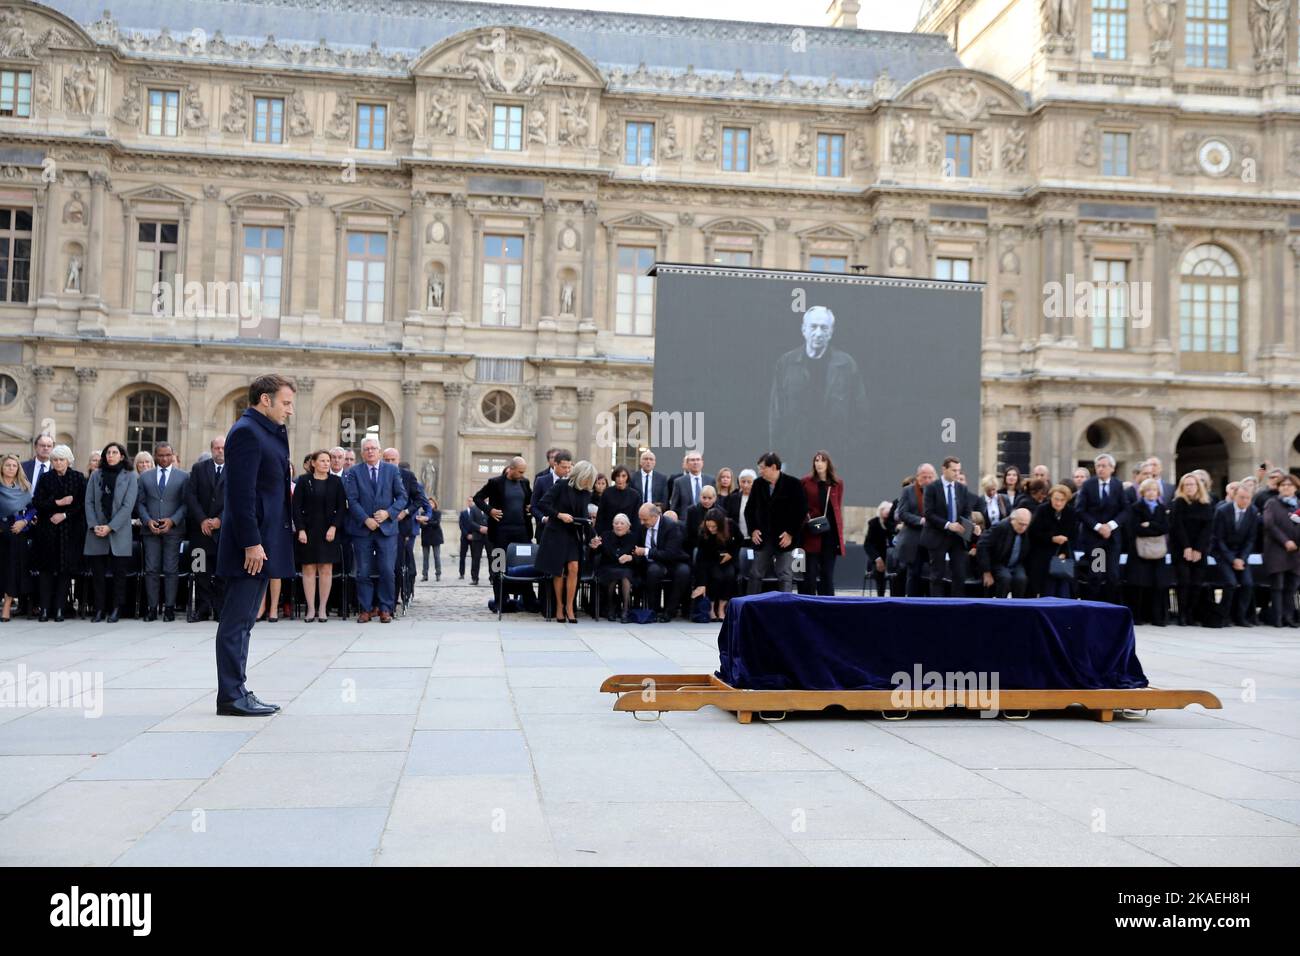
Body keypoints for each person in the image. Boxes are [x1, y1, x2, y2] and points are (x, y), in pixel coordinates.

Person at [214, 374, 296, 716]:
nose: (290, 410)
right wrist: (251, 542)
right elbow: (241, 494)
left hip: (264, 540)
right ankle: (230, 696)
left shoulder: (266, 431)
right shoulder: (247, 432)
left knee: (246, 619)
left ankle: (238, 688)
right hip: (251, 545)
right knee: (237, 620)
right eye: (286, 403)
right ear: (266, 400)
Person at [768, 306, 869, 471]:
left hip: (834, 457)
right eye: (813, 326)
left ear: (831, 332)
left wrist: (848, 450)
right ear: (804, 329)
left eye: (824, 327)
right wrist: (779, 457)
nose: (818, 332)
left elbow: (861, 413)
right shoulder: (786, 363)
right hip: (795, 455)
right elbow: (776, 414)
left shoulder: (846, 365)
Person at [342, 438, 407, 623]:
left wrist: (388, 513)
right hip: (362, 530)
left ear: (379, 451)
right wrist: (365, 519)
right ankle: (366, 609)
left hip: (387, 530)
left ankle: (386, 608)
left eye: (373, 448)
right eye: (366, 449)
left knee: (387, 570)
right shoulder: (354, 472)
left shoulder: (392, 470)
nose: (370, 451)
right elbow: (351, 500)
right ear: (362, 453)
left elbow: (402, 497)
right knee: (363, 571)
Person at [534, 459, 596, 623]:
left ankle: (570, 606)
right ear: (580, 475)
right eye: (586, 478)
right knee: (559, 570)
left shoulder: (585, 493)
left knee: (574, 567)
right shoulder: (561, 485)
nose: (588, 482)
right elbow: (543, 504)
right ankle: (559, 606)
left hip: (572, 534)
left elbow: (584, 517)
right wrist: (559, 515)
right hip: (556, 533)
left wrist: (593, 536)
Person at [83, 442, 138, 624]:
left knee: (118, 576)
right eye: (108, 452)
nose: (111, 455)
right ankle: (99, 609)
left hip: (118, 532)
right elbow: (89, 502)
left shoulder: (130, 476)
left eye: (115, 452)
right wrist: (94, 525)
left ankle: (116, 609)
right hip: (96, 531)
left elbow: (127, 506)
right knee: (98, 576)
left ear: (122, 456)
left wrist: (111, 526)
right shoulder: (95, 475)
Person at [31, 445, 85, 622]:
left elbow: (82, 504)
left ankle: (60, 608)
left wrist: (64, 514)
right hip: (47, 530)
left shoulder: (78, 477)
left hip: (69, 532)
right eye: (55, 460)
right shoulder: (45, 478)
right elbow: (38, 502)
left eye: (61, 459)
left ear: (68, 460)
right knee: (46, 571)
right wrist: (58, 502)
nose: (58, 463)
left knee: (64, 571)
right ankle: (44, 609)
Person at [473, 457, 535, 610]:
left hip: (522, 532)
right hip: (500, 532)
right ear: (511, 469)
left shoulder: (524, 483)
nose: (522, 474)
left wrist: (530, 507)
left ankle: (528, 600)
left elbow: (530, 500)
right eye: (520, 471)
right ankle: (500, 600)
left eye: (523, 472)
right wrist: (490, 510)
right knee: (498, 566)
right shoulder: (495, 483)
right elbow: (478, 498)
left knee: (525, 565)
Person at [136, 442, 188, 622]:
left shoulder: (183, 476)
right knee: (151, 569)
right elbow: (140, 503)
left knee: (171, 569)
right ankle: (151, 608)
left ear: (173, 455)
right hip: (150, 531)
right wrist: (147, 521)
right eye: (161, 455)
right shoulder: (145, 477)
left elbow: (185, 504)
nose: (165, 458)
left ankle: (169, 608)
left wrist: (172, 521)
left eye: (168, 455)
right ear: (155, 456)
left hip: (173, 531)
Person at [294, 449, 346, 622]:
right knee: (308, 569)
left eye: (328, 461)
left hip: (328, 532)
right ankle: (310, 609)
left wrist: (334, 527)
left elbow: (341, 508)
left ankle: (322, 608)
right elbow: (296, 507)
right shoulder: (303, 481)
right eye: (322, 460)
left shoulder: (336, 482)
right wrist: (300, 529)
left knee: (326, 569)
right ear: (313, 463)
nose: (326, 463)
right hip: (308, 532)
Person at [744, 452, 805, 593]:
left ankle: (785, 608)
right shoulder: (758, 484)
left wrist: (790, 533)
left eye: (762, 467)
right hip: (763, 538)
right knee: (755, 574)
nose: (760, 471)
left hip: (784, 539)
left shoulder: (793, 484)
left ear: (773, 467)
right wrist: (752, 530)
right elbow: (749, 510)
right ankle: (750, 606)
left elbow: (801, 512)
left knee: (785, 575)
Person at [185, 436, 227, 623]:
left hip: (223, 534)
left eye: (223, 448)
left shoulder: (236, 470)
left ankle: (219, 609)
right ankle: (202, 608)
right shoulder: (198, 469)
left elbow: (237, 500)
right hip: (200, 533)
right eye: (217, 448)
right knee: (199, 570)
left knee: (221, 573)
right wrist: (202, 520)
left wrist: (220, 520)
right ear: (211, 449)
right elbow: (191, 496)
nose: (220, 451)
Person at [1076, 453, 1127, 604]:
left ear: (1112, 468)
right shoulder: (1088, 485)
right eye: (1098, 466)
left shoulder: (1117, 485)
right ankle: (1093, 607)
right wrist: (1098, 527)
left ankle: (1110, 607)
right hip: (1095, 539)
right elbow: (1080, 510)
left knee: (1113, 575)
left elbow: (1125, 510)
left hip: (1112, 540)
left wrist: (1111, 526)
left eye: (1104, 466)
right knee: (1096, 574)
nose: (1100, 469)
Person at [922, 456, 973, 597]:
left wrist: (970, 525)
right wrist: (948, 525)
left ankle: (956, 607)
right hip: (937, 535)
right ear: (944, 469)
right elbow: (929, 513)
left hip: (957, 538)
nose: (957, 473)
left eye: (959, 470)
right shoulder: (932, 487)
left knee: (959, 574)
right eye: (954, 470)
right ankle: (936, 607)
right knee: (937, 576)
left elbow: (966, 511)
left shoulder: (962, 488)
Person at [1126, 478, 1172, 626]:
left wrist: (1150, 524)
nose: (1151, 493)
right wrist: (1154, 529)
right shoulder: (1135, 507)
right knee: (1139, 584)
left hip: (1158, 552)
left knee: (1158, 585)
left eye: (1154, 490)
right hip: (1139, 551)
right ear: (1143, 492)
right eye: (1148, 490)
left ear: (1158, 492)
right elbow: (1134, 528)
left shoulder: (1161, 507)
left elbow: (1165, 528)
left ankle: (1157, 617)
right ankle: (1138, 617)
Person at [1170, 472, 1214, 626]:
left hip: (1199, 550)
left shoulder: (1206, 504)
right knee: (1184, 582)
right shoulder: (1178, 503)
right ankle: (1181, 614)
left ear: (1198, 486)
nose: (1189, 487)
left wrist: (1198, 549)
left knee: (1197, 583)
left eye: (1192, 484)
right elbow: (1177, 527)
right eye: (1186, 485)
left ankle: (1191, 614)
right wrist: (1187, 547)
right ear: (1182, 487)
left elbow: (1207, 529)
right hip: (1181, 548)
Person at [1212, 484, 1260, 626]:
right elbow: (1218, 539)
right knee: (1230, 583)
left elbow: (1251, 539)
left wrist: (1241, 558)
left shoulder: (1253, 511)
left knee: (1247, 584)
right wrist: (1232, 559)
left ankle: (1240, 617)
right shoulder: (1222, 511)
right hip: (1222, 553)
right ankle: (1224, 616)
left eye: (1248, 498)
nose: (1245, 501)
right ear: (1234, 496)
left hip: (1241, 554)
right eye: (1241, 497)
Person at [635, 502, 691, 621]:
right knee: (653, 571)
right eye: (640, 519)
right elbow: (635, 546)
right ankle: (653, 610)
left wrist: (646, 551)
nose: (642, 522)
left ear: (655, 517)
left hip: (673, 560)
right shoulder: (641, 526)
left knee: (684, 571)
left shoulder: (671, 526)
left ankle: (670, 611)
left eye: (645, 519)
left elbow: (670, 553)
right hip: (651, 563)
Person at [800, 450, 845, 596]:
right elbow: (801, 505)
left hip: (830, 534)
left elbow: (837, 507)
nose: (819, 463)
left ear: (828, 463)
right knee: (810, 576)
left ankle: (829, 607)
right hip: (811, 532)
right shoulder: (806, 482)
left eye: (822, 460)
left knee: (827, 575)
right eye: (816, 460)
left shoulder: (837, 483)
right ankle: (808, 606)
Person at [1260, 474, 1300, 627]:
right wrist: (1286, 541)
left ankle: (1288, 617)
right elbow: (1269, 524)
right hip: (1276, 551)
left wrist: (1295, 543)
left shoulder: (1298, 505)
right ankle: (1277, 619)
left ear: (1295, 488)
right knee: (1278, 587)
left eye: (1289, 485)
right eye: (1283, 485)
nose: (1286, 487)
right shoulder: (1272, 503)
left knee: (1291, 587)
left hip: (1295, 553)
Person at [1027, 484, 1078, 598]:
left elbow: (1073, 535)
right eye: (1056, 499)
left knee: (1064, 585)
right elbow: (1033, 532)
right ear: (1051, 498)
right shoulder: (1042, 510)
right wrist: (1052, 538)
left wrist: (1063, 553)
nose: (1058, 503)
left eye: (1062, 500)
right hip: (1043, 552)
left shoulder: (1071, 512)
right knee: (1047, 587)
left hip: (1063, 553)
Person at [0, 453, 34, 623]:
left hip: (16, 531)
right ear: (2, 467)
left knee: (12, 569)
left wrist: (24, 521)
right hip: (0, 530)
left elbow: (33, 508)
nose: (11, 468)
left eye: (14, 466)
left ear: (18, 468)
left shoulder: (24, 486)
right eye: (7, 465)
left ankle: (7, 605)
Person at [692, 507, 739, 621]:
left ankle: (721, 608)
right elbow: (701, 557)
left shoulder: (730, 525)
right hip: (710, 560)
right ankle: (711, 608)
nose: (711, 529)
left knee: (730, 575)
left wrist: (731, 554)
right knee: (716, 577)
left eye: (714, 526)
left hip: (728, 559)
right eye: (709, 526)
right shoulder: (703, 532)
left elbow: (739, 540)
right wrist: (701, 583)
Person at [894, 466, 934, 596]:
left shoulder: (937, 492)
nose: (927, 480)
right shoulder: (908, 491)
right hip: (913, 540)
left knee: (935, 575)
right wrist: (920, 520)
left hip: (933, 540)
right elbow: (902, 513)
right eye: (924, 477)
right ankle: (912, 603)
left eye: (930, 477)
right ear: (918, 477)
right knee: (914, 574)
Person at [978, 507, 1032, 598]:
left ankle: (1018, 606)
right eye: (1020, 524)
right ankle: (1000, 604)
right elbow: (982, 545)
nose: (1023, 527)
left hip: (1016, 563)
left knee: (1021, 579)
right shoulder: (1000, 527)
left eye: (1026, 525)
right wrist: (986, 571)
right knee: (1005, 578)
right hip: (998, 561)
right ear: (1012, 520)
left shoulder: (1027, 532)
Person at [597, 513, 638, 621]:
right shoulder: (605, 535)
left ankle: (625, 609)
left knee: (625, 575)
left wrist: (630, 557)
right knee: (613, 575)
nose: (618, 526)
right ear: (612, 525)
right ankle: (611, 607)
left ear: (628, 526)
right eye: (616, 523)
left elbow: (639, 556)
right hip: (608, 566)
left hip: (627, 567)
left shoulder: (634, 537)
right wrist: (593, 546)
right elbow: (596, 552)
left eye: (621, 523)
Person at [594, 465, 640, 540]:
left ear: (627, 477)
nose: (620, 479)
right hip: (608, 535)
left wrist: (634, 537)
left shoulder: (635, 495)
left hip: (628, 536)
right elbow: (600, 517)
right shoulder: (607, 493)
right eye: (617, 476)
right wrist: (599, 535)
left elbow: (635, 519)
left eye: (623, 476)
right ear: (614, 477)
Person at [532, 448, 571, 531]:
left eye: (569, 467)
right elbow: (534, 506)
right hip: (544, 529)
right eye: (564, 467)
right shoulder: (541, 480)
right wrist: (543, 518)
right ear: (555, 464)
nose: (567, 470)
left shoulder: (571, 483)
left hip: (566, 530)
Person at [668, 451, 714, 516]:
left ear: (702, 462)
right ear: (687, 463)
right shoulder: (679, 482)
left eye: (698, 460)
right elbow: (674, 506)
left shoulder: (710, 480)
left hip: (706, 520)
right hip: (685, 522)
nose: (695, 462)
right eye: (692, 460)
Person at [864, 500, 893, 596]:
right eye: (885, 509)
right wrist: (877, 558)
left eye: (889, 509)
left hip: (891, 557)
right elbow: (868, 544)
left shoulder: (892, 524)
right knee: (879, 572)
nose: (887, 511)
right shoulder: (874, 523)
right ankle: (880, 596)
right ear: (880, 510)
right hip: (877, 557)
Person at [457, 496, 487, 583]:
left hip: (484, 536)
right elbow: (466, 523)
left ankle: (492, 578)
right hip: (472, 536)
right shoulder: (469, 510)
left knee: (487, 557)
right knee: (471, 558)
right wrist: (478, 529)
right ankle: (470, 576)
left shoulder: (490, 509)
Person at [22, 433, 54, 500]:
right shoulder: (22, 467)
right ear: (35, 447)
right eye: (42, 445)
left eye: (49, 446)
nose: (46, 448)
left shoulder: (58, 470)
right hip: (27, 508)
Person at [421, 495, 444, 582]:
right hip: (426, 537)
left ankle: (438, 574)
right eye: (429, 503)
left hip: (436, 537)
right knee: (425, 558)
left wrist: (426, 522)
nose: (430, 504)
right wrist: (425, 522)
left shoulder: (438, 513)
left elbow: (437, 523)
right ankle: (425, 575)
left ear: (435, 504)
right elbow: (420, 525)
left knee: (436, 556)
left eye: (432, 503)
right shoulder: (423, 513)